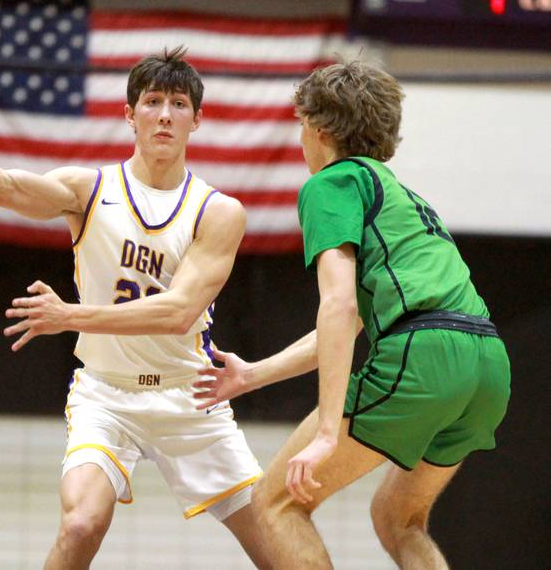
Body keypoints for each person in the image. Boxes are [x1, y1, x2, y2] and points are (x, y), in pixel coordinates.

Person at [0, 47, 271, 569]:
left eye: (178, 104)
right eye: (152, 101)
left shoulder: (219, 211)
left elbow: (177, 313)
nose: (164, 114)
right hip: (107, 396)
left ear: (197, 120)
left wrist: (69, 315)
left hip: (189, 396)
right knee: (82, 523)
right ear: (129, 113)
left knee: (280, 547)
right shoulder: (89, 190)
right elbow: (2, 188)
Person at [194, 61, 511, 568]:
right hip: (487, 364)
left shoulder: (332, 184)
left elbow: (338, 306)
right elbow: (346, 325)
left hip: (425, 354)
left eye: (301, 125)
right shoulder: (401, 196)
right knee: (398, 518)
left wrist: (326, 433)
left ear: (319, 131)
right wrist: (253, 375)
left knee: (276, 503)